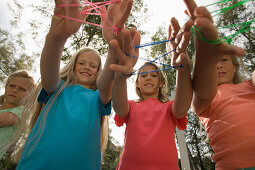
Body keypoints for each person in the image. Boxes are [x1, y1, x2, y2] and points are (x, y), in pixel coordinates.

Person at [15, 0, 134, 169]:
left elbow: (105, 83)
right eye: (82, 63)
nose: (87, 67)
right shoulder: (58, 88)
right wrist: (56, 38)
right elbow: (49, 72)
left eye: (93, 66)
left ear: (98, 71)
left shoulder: (97, 98)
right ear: (73, 65)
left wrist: (112, 49)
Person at [109, 18, 193, 169]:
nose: (148, 77)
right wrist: (121, 76)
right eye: (143, 75)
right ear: (137, 84)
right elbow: (119, 108)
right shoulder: (131, 106)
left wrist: (183, 68)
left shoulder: (169, 108)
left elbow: (182, 108)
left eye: (154, 75)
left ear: (161, 82)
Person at [181, 0, 255, 169]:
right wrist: (203, 46)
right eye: (212, 62)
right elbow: (202, 89)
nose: (218, 65)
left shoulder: (250, 86)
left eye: (223, 60)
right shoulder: (205, 99)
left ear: (234, 66)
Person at [0, 70, 35, 160]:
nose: (15, 90)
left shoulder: (21, 112)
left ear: (29, 95)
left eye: (22, 89)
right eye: (12, 86)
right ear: (6, 87)